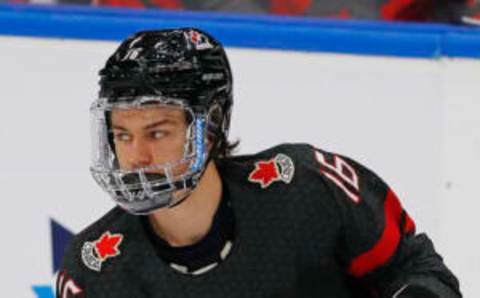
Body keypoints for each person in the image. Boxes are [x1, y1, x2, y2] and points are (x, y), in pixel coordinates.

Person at [57, 28, 461, 298]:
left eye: (158, 132)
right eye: (122, 135)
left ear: (210, 128)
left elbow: (416, 269)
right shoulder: (95, 270)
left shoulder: (307, 188)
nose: (137, 157)